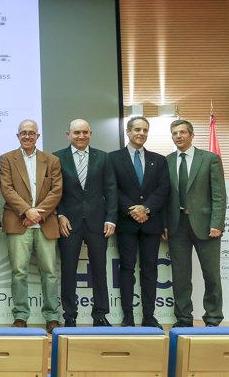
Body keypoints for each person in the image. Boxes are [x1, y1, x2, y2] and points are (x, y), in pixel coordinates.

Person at [0, 119, 63, 334]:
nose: (27, 136)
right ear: (17, 136)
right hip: (19, 222)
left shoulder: (51, 160)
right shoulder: (7, 159)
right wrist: (27, 211)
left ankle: (52, 317)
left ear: (38, 136)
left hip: (45, 223)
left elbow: (56, 191)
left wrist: (37, 214)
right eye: (23, 133)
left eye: (31, 133)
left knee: (50, 272)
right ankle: (20, 316)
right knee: (18, 272)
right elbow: (7, 190)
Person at [54, 119, 117, 327]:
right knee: (68, 270)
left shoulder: (103, 158)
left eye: (85, 132)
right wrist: (59, 215)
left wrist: (111, 218)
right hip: (68, 223)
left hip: (98, 223)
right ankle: (69, 316)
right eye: (76, 133)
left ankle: (100, 314)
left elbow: (111, 190)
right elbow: (55, 192)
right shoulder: (57, 158)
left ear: (90, 133)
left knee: (99, 269)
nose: (81, 136)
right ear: (68, 134)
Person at [164, 119, 226, 327]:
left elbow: (219, 195)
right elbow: (165, 197)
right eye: (174, 133)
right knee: (181, 277)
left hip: (207, 226)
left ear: (191, 135)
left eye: (182, 132)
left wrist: (217, 223)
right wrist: (165, 223)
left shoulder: (210, 159)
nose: (178, 136)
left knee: (211, 275)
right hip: (176, 226)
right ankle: (183, 318)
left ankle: (213, 318)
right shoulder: (168, 161)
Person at [109, 116, 169, 328]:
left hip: (151, 222)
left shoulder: (159, 160)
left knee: (150, 269)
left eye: (144, 130)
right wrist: (132, 209)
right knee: (126, 269)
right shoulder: (113, 158)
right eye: (136, 129)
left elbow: (163, 189)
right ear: (128, 132)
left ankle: (149, 317)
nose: (141, 133)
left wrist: (147, 208)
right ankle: (128, 317)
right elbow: (112, 188)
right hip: (126, 223)